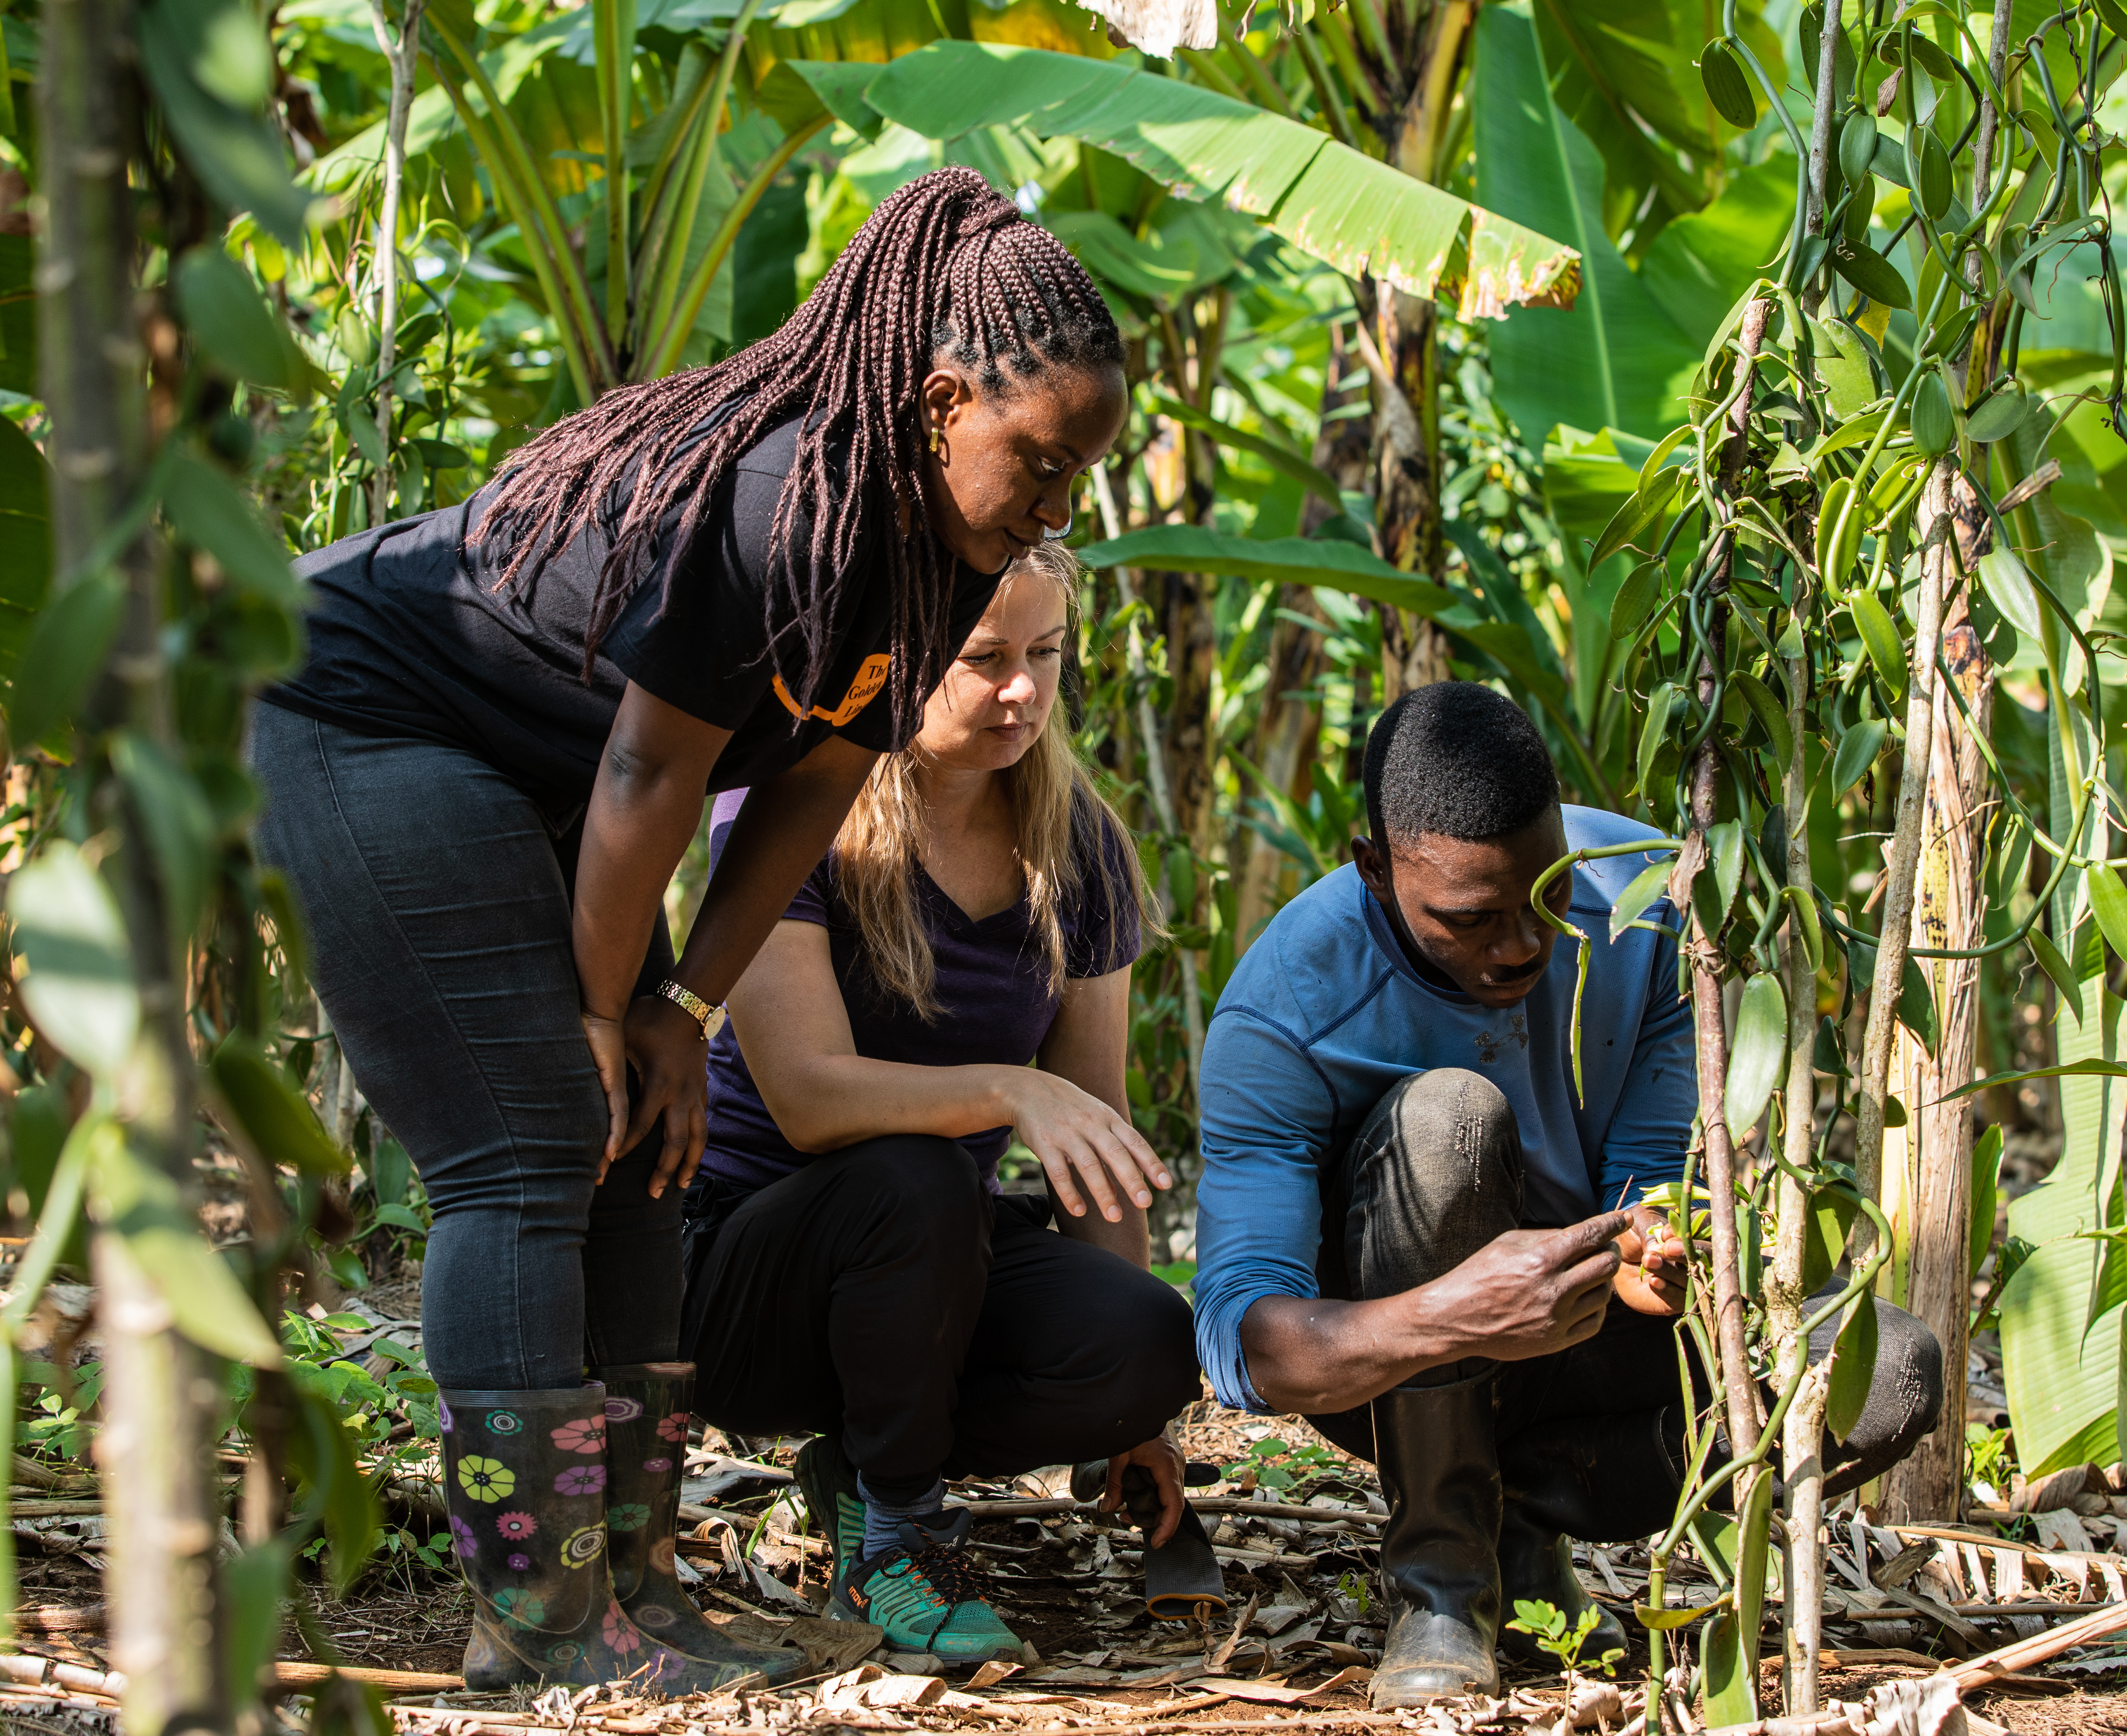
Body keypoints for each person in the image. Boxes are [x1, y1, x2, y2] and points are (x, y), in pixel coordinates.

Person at [248, 167, 1130, 1692]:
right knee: (531, 1140)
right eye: (1036, 465)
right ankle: (538, 1622)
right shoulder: (792, 498)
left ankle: (636, 1588)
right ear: (935, 404)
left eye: (1073, 485)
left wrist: (681, 1016)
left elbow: (809, 784)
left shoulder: (926, 554)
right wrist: (606, 1017)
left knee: (645, 1146)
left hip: (544, 767)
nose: (1052, 511)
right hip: (358, 709)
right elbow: (657, 773)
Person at [1192, 682, 1944, 1709]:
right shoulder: (1286, 1009)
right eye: (1473, 920)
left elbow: (1656, 1185)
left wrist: (1657, 1254)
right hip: (1395, 1361)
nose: (1520, 946)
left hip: (1581, 1348)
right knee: (1445, 1121)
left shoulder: (1652, 903)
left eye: (1548, 897)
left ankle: (1523, 1517)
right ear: (1374, 872)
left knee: (1890, 1372)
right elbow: (1246, 1345)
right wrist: (1450, 1317)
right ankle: (1443, 1583)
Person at [678, 539, 1200, 1664]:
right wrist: (1009, 1089)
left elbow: (1092, 1135)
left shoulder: (1082, 848)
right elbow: (812, 1100)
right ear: (898, 655)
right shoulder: (783, 803)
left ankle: (867, 1466)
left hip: (929, 1277)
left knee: (1146, 1338)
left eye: (1046, 652)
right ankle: (896, 1541)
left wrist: (1136, 1422)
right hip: (749, 1271)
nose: (1022, 689)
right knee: (907, 1175)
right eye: (982, 657)